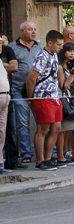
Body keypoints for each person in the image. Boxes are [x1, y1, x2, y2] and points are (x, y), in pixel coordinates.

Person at [26, 30, 64, 170]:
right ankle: (40, 160)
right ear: (50, 43)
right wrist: (31, 98)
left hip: (54, 96)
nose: (60, 47)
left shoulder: (54, 55)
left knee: (56, 127)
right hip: (43, 95)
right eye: (58, 44)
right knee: (43, 128)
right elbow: (32, 78)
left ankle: (48, 158)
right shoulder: (42, 56)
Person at [9, 21, 41, 163]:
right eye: (29, 29)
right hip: (18, 89)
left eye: (34, 29)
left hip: (37, 89)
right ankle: (26, 153)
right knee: (22, 123)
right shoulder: (12, 47)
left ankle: (47, 153)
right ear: (22, 32)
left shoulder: (40, 47)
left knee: (42, 120)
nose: (33, 32)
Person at [57, 42, 74, 166]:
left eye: (73, 51)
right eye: (69, 51)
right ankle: (61, 156)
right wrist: (73, 74)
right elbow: (64, 86)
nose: (72, 53)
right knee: (62, 130)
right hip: (62, 100)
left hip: (71, 99)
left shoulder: (71, 65)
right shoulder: (60, 67)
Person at [0, 35, 18, 171]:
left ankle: (2, 162)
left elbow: (14, 66)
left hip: (6, 96)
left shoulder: (2, 59)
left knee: (3, 131)